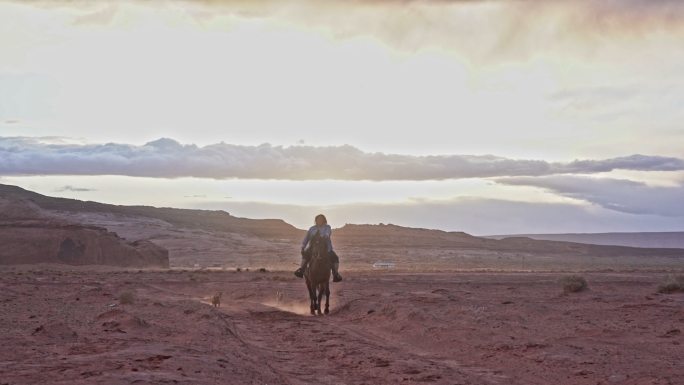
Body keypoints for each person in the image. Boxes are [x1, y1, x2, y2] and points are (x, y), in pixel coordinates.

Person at [294, 214, 343, 282]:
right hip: (312, 248)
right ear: (316, 220)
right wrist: (303, 246)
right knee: (305, 257)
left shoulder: (327, 227)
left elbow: (328, 233)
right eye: (318, 219)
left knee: (335, 258)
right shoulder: (312, 228)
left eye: (321, 219)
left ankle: (335, 274)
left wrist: (324, 236)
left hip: (326, 248)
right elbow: (307, 238)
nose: (319, 221)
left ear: (324, 220)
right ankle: (301, 271)